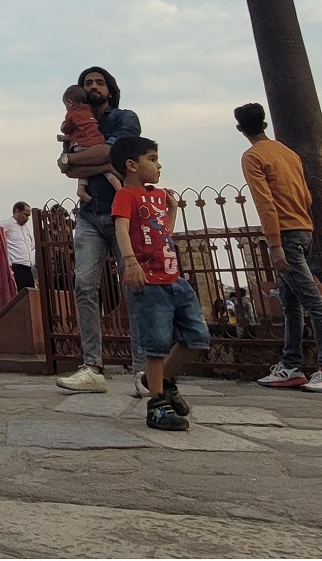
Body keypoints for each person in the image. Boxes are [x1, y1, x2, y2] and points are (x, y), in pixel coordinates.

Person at [238, 103, 322, 394]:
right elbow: (307, 197)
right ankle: (290, 365)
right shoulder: (288, 153)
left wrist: (274, 245)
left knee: (313, 302)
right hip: (303, 229)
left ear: (240, 129)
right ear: (264, 123)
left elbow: (265, 203)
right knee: (290, 303)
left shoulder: (253, 156)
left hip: (285, 235)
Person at [110, 136, 208, 432]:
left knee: (196, 337)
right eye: (151, 159)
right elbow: (122, 228)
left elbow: (163, 232)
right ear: (132, 165)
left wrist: (173, 210)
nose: (158, 165)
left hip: (173, 277)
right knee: (156, 345)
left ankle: (163, 380)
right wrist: (130, 260)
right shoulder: (126, 196)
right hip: (148, 281)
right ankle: (157, 401)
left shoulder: (160, 196)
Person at [55, 66, 142, 395]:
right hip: (90, 215)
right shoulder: (77, 121)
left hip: (124, 214)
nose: (93, 86)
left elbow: (112, 152)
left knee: (134, 288)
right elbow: (65, 166)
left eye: (99, 81)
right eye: (87, 82)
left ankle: (143, 367)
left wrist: (85, 161)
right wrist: (104, 163)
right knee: (84, 286)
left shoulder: (124, 119)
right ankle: (92, 366)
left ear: (110, 88)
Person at [0, 202, 37, 292]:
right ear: (17, 211)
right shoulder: (7, 224)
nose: (27, 218)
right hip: (17, 267)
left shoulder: (25, 228)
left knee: (30, 294)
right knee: (20, 295)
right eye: (25, 214)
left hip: (28, 267)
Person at [58, 84, 106, 149]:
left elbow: (66, 129)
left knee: (70, 152)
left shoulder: (72, 114)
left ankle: (65, 158)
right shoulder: (89, 111)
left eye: (66, 105)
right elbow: (81, 130)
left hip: (83, 144)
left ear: (70, 103)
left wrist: (63, 126)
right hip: (99, 141)